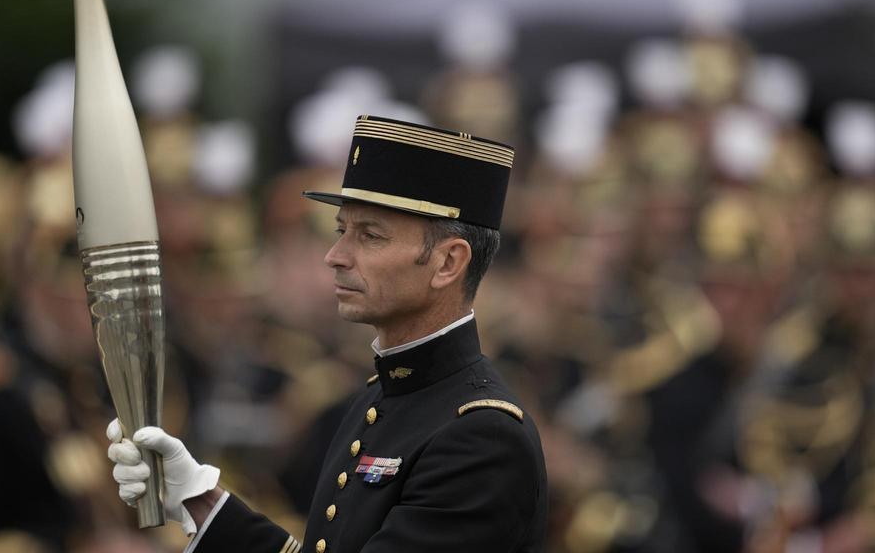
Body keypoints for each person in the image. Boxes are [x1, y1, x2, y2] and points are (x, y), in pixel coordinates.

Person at [107, 114, 548, 552]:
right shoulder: (380, 399)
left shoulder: (482, 438)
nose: (335, 256)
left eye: (370, 236)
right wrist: (198, 502)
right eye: (342, 231)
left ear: (448, 263)